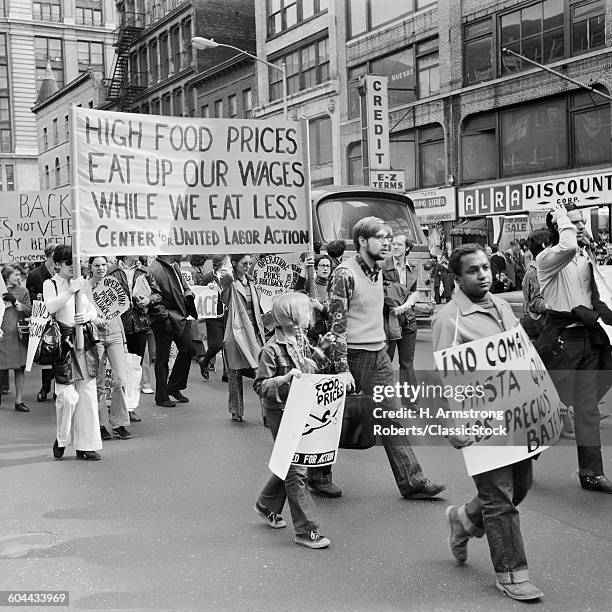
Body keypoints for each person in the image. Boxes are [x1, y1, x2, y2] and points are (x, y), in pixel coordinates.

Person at [433, 243, 543, 602]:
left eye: (485, 268)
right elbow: (443, 375)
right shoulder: (449, 317)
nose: (483, 275)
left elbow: (522, 352)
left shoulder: (499, 305)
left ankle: (464, 519)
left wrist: (545, 402)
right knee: (499, 497)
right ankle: (511, 574)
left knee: (521, 486)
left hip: (515, 414)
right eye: (473, 270)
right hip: (479, 419)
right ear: (457, 277)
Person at [316, 217, 444, 499]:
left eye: (389, 238)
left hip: (378, 354)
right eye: (381, 238)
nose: (387, 243)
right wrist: (342, 369)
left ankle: (413, 482)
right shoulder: (344, 274)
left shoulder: (379, 271)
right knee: (333, 417)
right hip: (351, 355)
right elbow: (337, 326)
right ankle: (319, 475)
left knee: (391, 417)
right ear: (362, 241)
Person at [535, 204, 612, 494]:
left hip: (587, 339)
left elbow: (595, 296)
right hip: (561, 343)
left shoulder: (582, 256)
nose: (579, 226)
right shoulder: (549, 258)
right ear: (558, 225)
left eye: (581, 221)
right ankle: (520, 460)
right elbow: (566, 245)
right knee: (546, 408)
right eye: (573, 221)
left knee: (587, 408)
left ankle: (592, 474)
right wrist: (561, 216)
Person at [253, 292, 330, 549]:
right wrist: (283, 380)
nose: (312, 315)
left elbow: (308, 370)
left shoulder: (301, 343)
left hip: (301, 410)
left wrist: (321, 350)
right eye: (307, 311)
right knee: (297, 470)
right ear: (294, 318)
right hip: (281, 413)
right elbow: (260, 385)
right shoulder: (271, 349)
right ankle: (306, 530)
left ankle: (266, 504)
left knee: (289, 464)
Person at [44, 244, 102, 461]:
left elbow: (93, 311)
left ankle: (86, 445)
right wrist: (70, 290)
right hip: (64, 345)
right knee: (67, 397)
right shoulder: (50, 284)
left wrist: (86, 317)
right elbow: (50, 308)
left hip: (84, 341)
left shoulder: (83, 283)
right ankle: (62, 438)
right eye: (69, 263)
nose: (73, 267)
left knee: (87, 395)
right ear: (58, 264)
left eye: (76, 263)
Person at [108, 255, 162, 420]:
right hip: (117, 326)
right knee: (117, 369)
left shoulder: (144, 271)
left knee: (134, 368)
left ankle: (130, 407)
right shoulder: (112, 271)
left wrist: (148, 299)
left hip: (139, 324)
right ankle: (116, 404)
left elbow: (158, 294)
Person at [86, 256, 131, 441]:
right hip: (96, 337)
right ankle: (100, 425)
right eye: (97, 265)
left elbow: (120, 310)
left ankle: (119, 422)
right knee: (98, 383)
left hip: (114, 335)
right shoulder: (85, 287)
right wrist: (95, 319)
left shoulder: (113, 282)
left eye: (104, 265)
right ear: (90, 267)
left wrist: (123, 339)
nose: (101, 268)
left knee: (120, 379)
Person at [221, 253, 267, 422]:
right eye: (244, 263)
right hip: (237, 334)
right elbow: (224, 296)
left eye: (249, 263)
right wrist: (228, 276)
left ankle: (267, 413)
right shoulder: (229, 282)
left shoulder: (252, 282)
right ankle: (236, 411)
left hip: (254, 333)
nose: (248, 266)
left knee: (262, 374)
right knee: (235, 373)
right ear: (234, 263)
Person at [148, 255, 196, 408]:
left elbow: (183, 286)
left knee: (188, 349)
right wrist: (164, 317)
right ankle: (161, 396)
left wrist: (188, 293)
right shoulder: (154, 269)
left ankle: (173, 386)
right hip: (164, 318)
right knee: (162, 357)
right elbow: (153, 298)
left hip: (179, 316)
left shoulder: (174, 266)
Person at [383, 234, 418, 392]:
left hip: (409, 320)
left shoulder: (413, 268)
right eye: (393, 244)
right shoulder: (383, 266)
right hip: (388, 320)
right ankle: (381, 402)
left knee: (407, 363)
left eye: (399, 245)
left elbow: (417, 293)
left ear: (407, 248)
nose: (395, 247)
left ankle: (411, 403)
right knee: (384, 361)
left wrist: (407, 305)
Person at [26, 244, 57, 402]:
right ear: (50, 255)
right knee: (47, 353)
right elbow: (29, 296)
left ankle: (59, 387)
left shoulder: (63, 271)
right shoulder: (35, 274)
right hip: (43, 318)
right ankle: (45, 387)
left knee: (61, 353)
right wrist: (37, 296)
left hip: (60, 317)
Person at [0, 265, 32, 412]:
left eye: (19, 274)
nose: (19, 278)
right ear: (7, 276)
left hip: (19, 334)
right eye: (16, 275)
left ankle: (19, 401)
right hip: (2, 333)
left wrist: (16, 302)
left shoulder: (23, 291)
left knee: (20, 368)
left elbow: (30, 310)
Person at [198, 254, 229, 380]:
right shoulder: (208, 277)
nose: (229, 264)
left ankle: (227, 373)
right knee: (217, 344)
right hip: (213, 315)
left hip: (227, 314)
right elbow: (201, 294)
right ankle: (204, 361)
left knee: (228, 344)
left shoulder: (229, 277)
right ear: (220, 264)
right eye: (227, 262)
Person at [189, 254, 208, 363]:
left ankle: (199, 354)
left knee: (198, 329)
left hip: (200, 303)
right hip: (197, 303)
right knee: (196, 329)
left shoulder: (198, 270)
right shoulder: (194, 271)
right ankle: (200, 354)